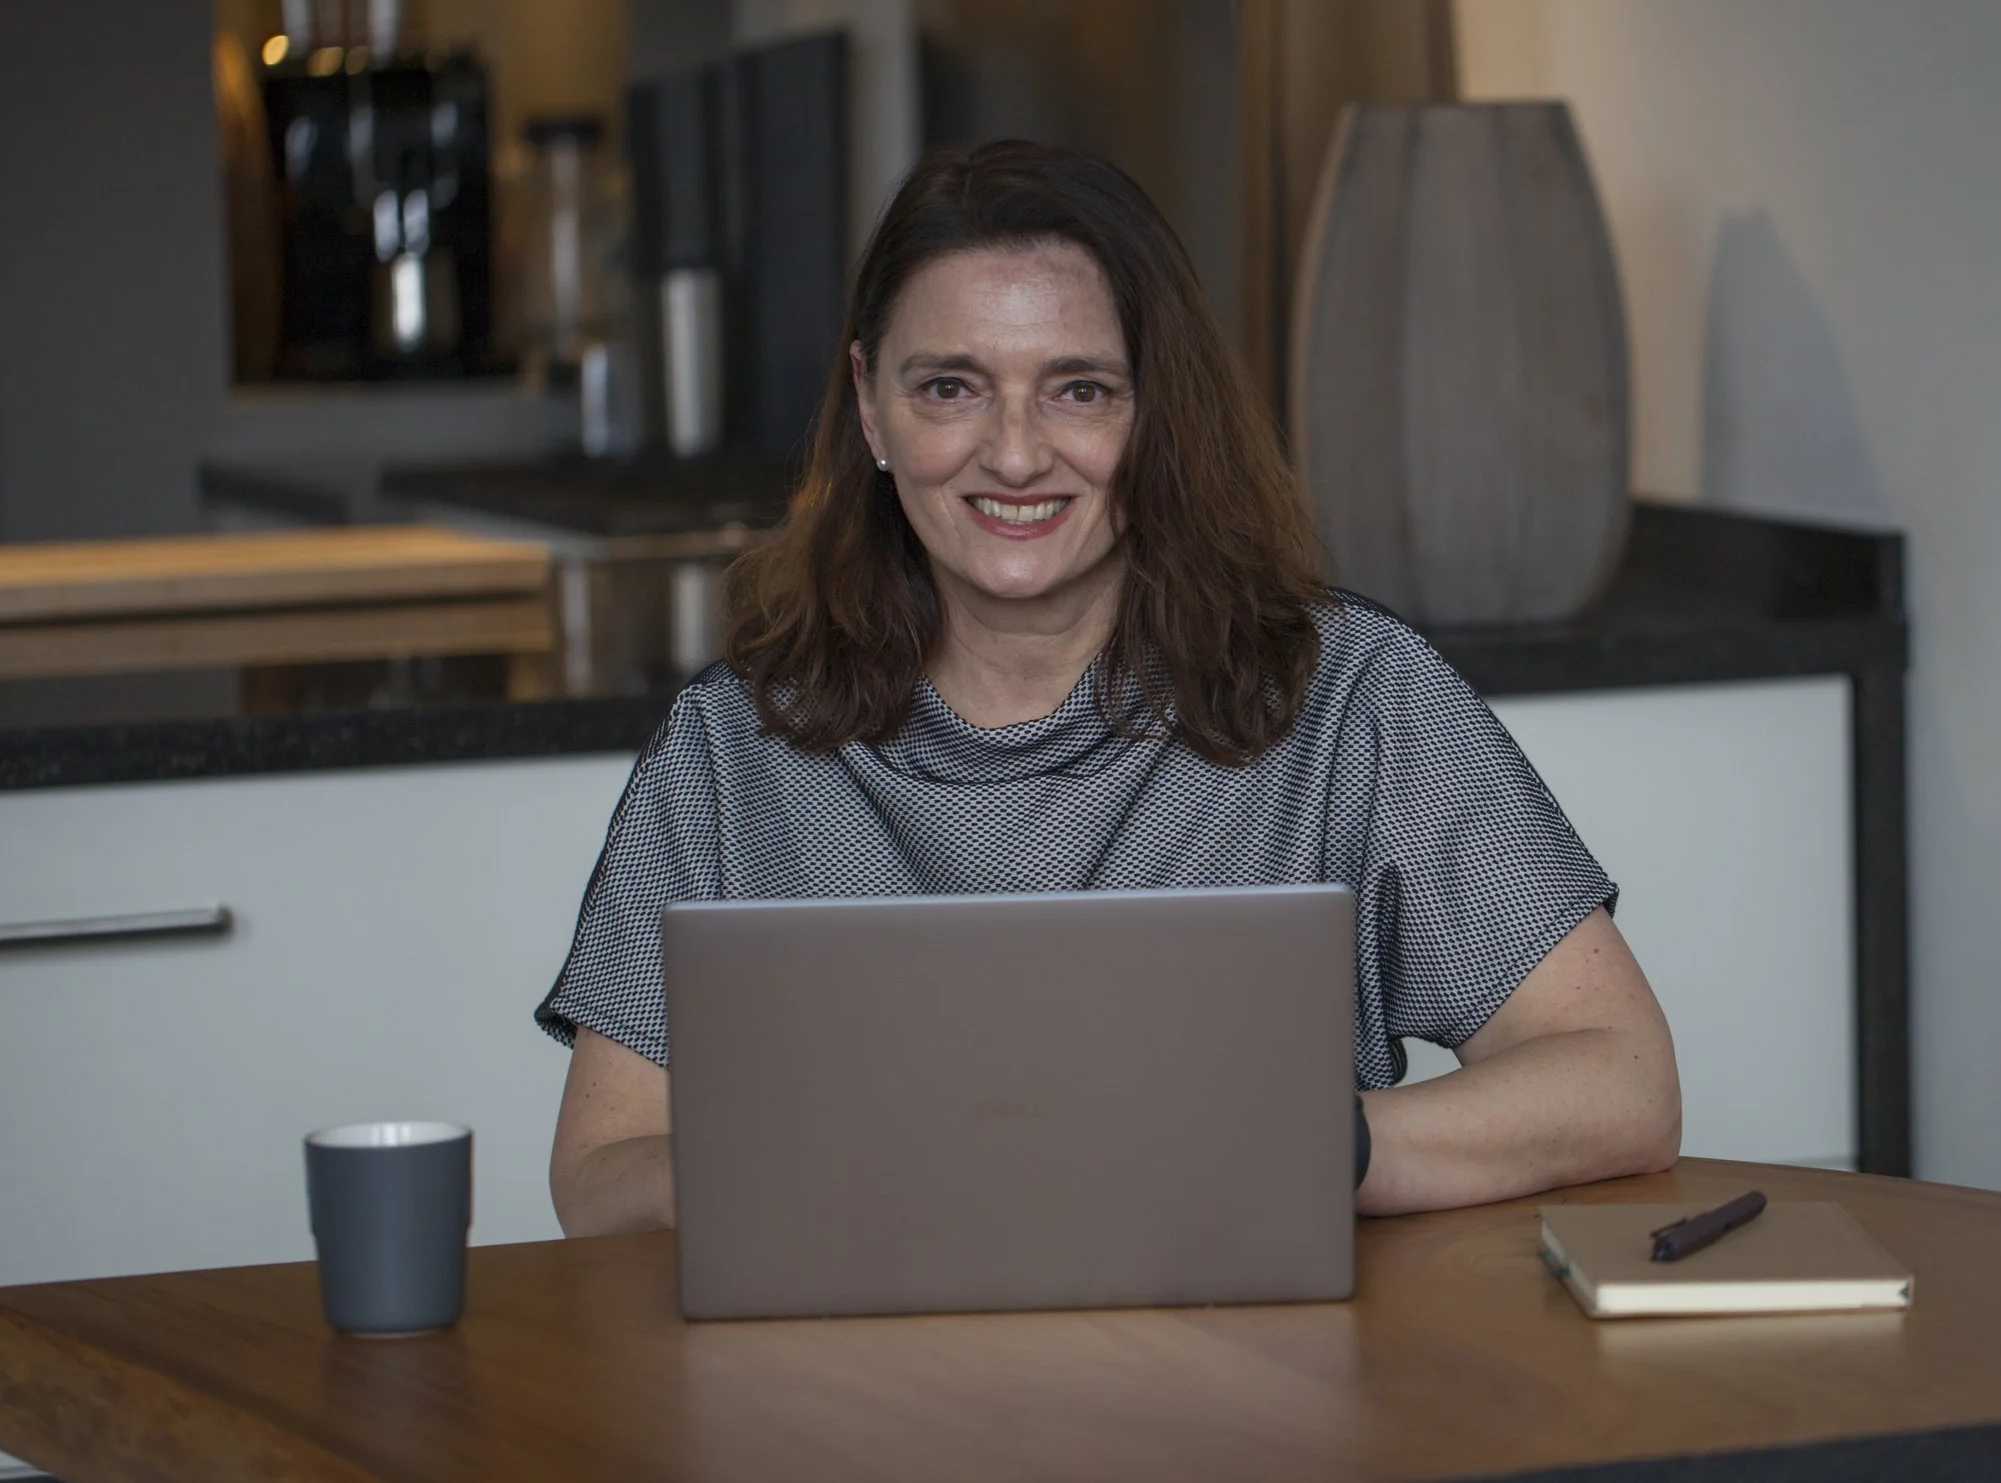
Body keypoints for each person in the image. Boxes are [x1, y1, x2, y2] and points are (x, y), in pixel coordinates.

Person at [538, 140, 1681, 1236]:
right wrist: (866, 1176)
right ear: (871, 404)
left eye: (1078, 389)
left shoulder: (1347, 697)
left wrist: (1308, 1148)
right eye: (950, 386)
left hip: (1251, 1387)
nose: (1018, 453)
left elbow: (1620, 1076)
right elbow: (599, 1170)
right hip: (846, 1401)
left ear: (1155, 412)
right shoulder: (734, 743)